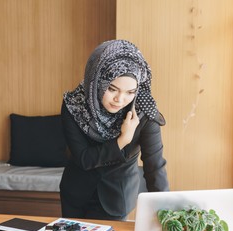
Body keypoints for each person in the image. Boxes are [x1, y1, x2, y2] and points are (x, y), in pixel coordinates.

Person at [59, 39, 169, 220]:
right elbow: (83, 158)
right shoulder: (74, 105)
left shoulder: (145, 115)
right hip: (76, 196)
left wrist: (166, 214)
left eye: (130, 92)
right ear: (97, 80)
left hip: (117, 198)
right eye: (112, 89)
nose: (120, 99)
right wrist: (122, 141)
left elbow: (155, 168)